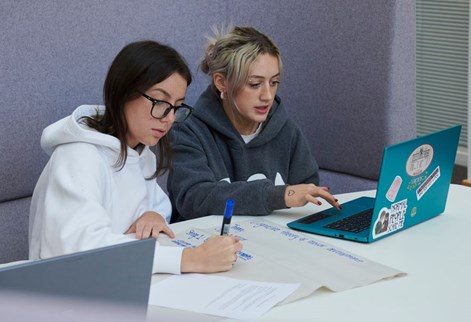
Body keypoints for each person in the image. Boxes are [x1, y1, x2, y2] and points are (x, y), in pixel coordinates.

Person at [29, 40, 242, 274]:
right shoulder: (78, 156)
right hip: (68, 296)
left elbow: (158, 206)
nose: (169, 118)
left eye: (176, 106)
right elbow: (82, 250)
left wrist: (153, 215)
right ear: (123, 92)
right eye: (161, 102)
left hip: (119, 282)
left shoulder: (140, 152)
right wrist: (189, 259)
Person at [167, 26, 341, 222]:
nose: (267, 96)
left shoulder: (287, 131)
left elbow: (307, 195)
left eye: (274, 82)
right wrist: (277, 195)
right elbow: (194, 199)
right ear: (221, 82)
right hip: (208, 246)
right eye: (254, 84)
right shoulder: (188, 131)